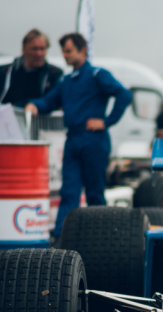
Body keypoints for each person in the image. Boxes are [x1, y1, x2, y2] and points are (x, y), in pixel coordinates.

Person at [26, 33, 132, 239]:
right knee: (69, 191)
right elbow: (49, 101)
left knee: (94, 192)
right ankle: (61, 238)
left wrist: (107, 121)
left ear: (82, 51)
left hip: (94, 140)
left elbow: (124, 94)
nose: (65, 55)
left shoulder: (97, 75)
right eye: (63, 51)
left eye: (69, 51)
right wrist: (33, 105)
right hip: (73, 140)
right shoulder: (66, 81)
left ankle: (100, 238)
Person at [0, 29, 63, 106]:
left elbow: (53, 102)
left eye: (42, 49)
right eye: (34, 49)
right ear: (24, 49)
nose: (39, 53)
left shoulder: (54, 74)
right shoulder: (3, 72)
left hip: (40, 119)